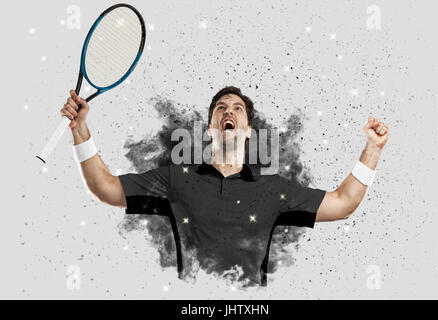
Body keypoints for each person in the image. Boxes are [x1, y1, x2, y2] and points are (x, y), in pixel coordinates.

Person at [61, 86, 389, 286]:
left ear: (247, 131)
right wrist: (80, 130)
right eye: (221, 108)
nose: (228, 110)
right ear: (209, 129)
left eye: (236, 108)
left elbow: (344, 202)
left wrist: (372, 149)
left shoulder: (273, 189)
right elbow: (105, 188)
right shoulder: (176, 178)